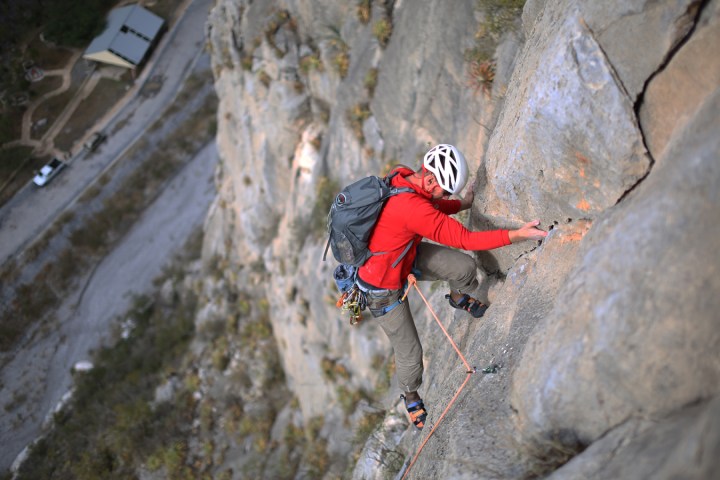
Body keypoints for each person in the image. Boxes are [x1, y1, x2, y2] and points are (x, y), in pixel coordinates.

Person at [356, 144, 547, 430]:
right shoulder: (412, 208)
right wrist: (517, 234)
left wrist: (462, 203)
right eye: (445, 191)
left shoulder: (404, 176)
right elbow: (466, 239)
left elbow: (430, 204)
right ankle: (410, 394)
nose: (446, 196)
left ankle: (458, 297)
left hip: (402, 253)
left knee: (464, 268)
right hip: (382, 289)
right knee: (410, 354)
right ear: (431, 180)